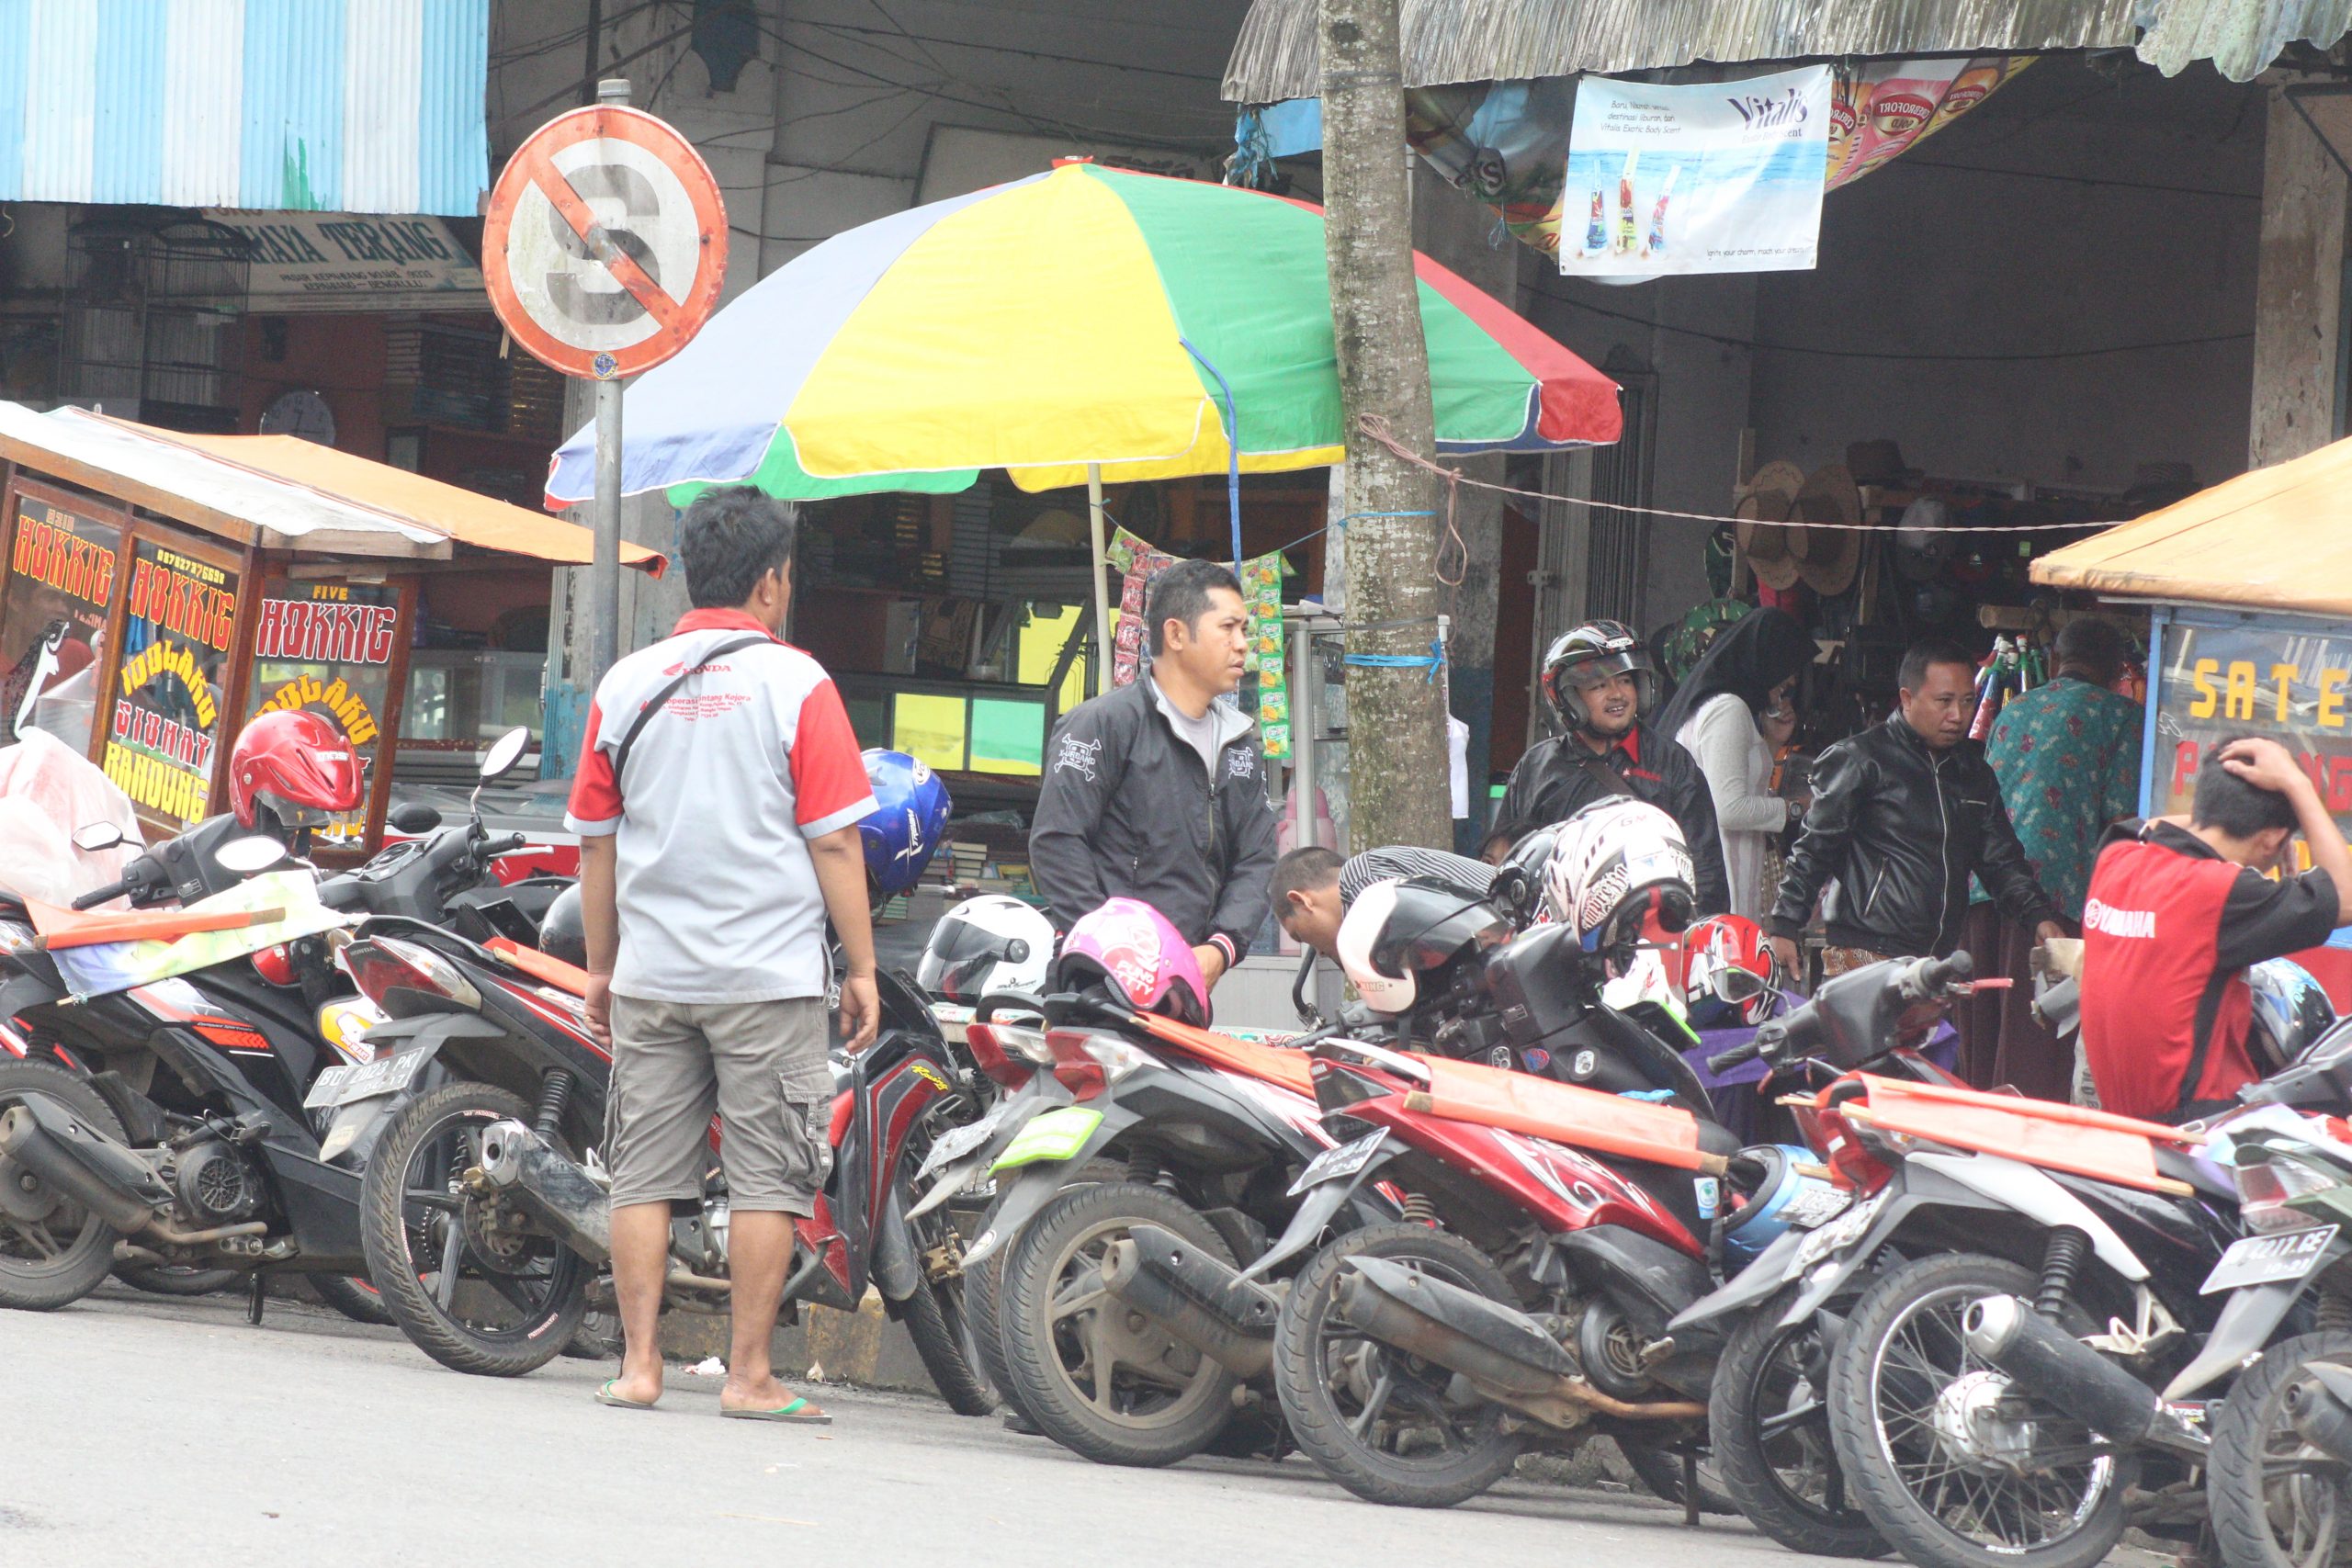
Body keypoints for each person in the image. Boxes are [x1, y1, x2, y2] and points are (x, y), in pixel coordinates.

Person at [566, 485, 881, 1425]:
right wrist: (860, 966)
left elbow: (595, 841)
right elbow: (834, 841)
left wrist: (600, 965)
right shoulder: (800, 685)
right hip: (768, 978)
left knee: (643, 1172)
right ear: (773, 583)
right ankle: (747, 1377)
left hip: (655, 975)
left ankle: (638, 1366)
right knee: (766, 1178)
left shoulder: (624, 684)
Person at [1029, 558, 1278, 990]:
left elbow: (1257, 860)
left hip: (1186, 982)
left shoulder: (1240, 742)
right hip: (1097, 982)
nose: (1242, 645)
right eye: (1228, 628)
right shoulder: (1103, 724)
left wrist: (1220, 948)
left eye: (1245, 630)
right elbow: (1056, 843)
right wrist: (1113, 948)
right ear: (1177, 634)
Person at [2079, 736, 2352, 1122]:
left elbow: (2154, 826)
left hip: (2127, 1119)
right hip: (2202, 1128)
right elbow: (2345, 898)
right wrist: (2297, 784)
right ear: (2274, 838)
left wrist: (2217, 812)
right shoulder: (2219, 893)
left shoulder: (2117, 855)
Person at [1768, 637, 2063, 983]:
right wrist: (1785, 924)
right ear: (1907, 698)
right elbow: (1815, 849)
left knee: (1931, 1040)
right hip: (1864, 953)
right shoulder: (1862, 759)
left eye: (1967, 701)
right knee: (1871, 1039)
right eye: (1944, 701)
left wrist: (2039, 917)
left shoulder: (1974, 774)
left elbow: (2001, 860)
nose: (1957, 715)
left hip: (1937, 958)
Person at [1961, 618, 2143, 1098]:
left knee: (1985, 1025)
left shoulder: (2016, 708)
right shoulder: (2121, 715)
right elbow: (2120, 819)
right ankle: (2025, 1148)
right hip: (2056, 902)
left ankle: (1971, 1138)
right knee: (2042, 1031)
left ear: (2058, 662)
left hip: (1986, 887)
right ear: (2115, 670)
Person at [1488, 619, 1729, 915]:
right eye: (1599, 685)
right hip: (1556, 931)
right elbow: (1506, 861)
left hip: (1650, 932)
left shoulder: (1672, 763)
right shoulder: (1538, 767)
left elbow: (1705, 870)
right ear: (1569, 697)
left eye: (1626, 680)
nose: (1617, 694)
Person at [1654, 606, 1813, 920]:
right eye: (1787, 668)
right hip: (1722, 884)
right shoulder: (1728, 709)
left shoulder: (1714, 705)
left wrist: (1770, 743)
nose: (1791, 680)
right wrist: (1799, 807)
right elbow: (1729, 809)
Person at [1271, 841, 1498, 959]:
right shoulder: (1367, 877)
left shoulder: (1362, 880)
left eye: (1299, 936)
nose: (1318, 952)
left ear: (1301, 901)